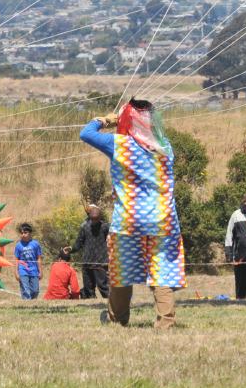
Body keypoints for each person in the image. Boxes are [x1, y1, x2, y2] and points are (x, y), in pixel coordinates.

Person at [79, 99, 185, 329]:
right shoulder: (165, 146)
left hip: (129, 218)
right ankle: (165, 322)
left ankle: (117, 318)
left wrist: (105, 119)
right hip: (163, 218)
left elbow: (86, 134)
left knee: (121, 269)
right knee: (162, 271)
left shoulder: (120, 144)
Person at [70, 204, 110, 300]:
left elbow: (113, 241)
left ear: (100, 217)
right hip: (87, 261)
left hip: (100, 261)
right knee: (88, 287)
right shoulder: (85, 227)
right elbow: (79, 242)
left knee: (103, 286)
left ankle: (112, 302)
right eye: (92, 219)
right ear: (90, 217)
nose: (94, 221)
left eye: (96, 219)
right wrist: (71, 249)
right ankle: (91, 302)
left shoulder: (106, 227)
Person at [13, 223, 43, 299]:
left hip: (34, 270)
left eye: (25, 233)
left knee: (35, 291)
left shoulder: (35, 244)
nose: (23, 235)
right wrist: (16, 272)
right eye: (22, 233)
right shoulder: (18, 245)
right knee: (25, 290)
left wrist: (40, 271)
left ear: (30, 233)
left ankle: (32, 303)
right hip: (23, 270)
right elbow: (16, 259)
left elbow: (39, 258)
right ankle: (26, 304)